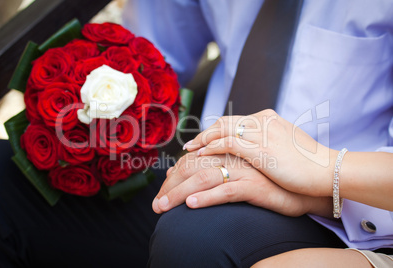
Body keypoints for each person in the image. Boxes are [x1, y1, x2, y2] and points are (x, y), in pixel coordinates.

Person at [122, 0, 393, 267]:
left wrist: (321, 175)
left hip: (354, 209)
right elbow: (155, 54)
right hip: (209, 165)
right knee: (85, 209)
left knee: (194, 238)